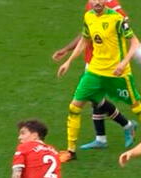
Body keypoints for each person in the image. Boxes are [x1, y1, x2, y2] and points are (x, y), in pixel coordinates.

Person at [57, 0, 141, 162]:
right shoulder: (88, 16)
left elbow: (134, 42)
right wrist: (69, 61)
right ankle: (71, 151)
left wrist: (123, 63)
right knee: (74, 106)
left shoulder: (117, 18)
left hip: (117, 73)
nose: (96, 2)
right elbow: (84, 40)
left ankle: (126, 127)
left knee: (136, 106)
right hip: (95, 71)